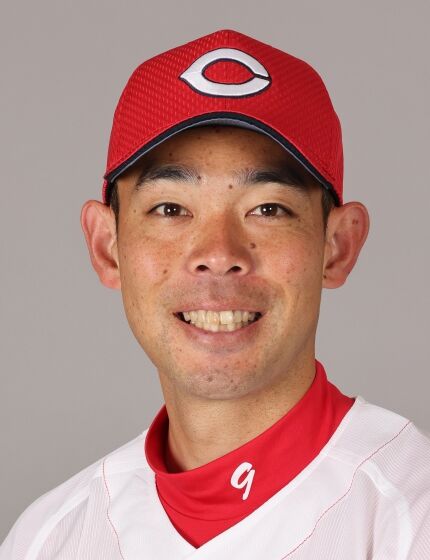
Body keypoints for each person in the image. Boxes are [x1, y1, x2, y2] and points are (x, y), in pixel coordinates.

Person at [1, 28, 429, 560]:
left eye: (268, 208)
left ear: (337, 247)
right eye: (170, 209)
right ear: (107, 247)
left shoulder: (411, 517)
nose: (218, 253)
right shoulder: (45, 540)